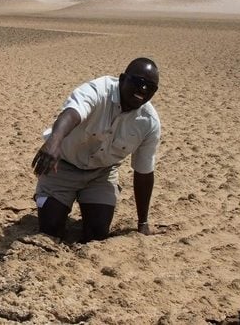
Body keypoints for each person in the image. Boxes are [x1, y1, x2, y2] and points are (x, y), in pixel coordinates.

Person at [31, 57, 160, 242]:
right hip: (62, 166)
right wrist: (54, 141)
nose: (143, 89)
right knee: (50, 227)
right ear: (123, 79)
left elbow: (144, 172)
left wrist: (143, 223)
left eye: (150, 87)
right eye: (138, 82)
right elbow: (72, 113)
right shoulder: (98, 91)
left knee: (97, 233)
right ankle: (47, 197)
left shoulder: (149, 123)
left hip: (101, 174)